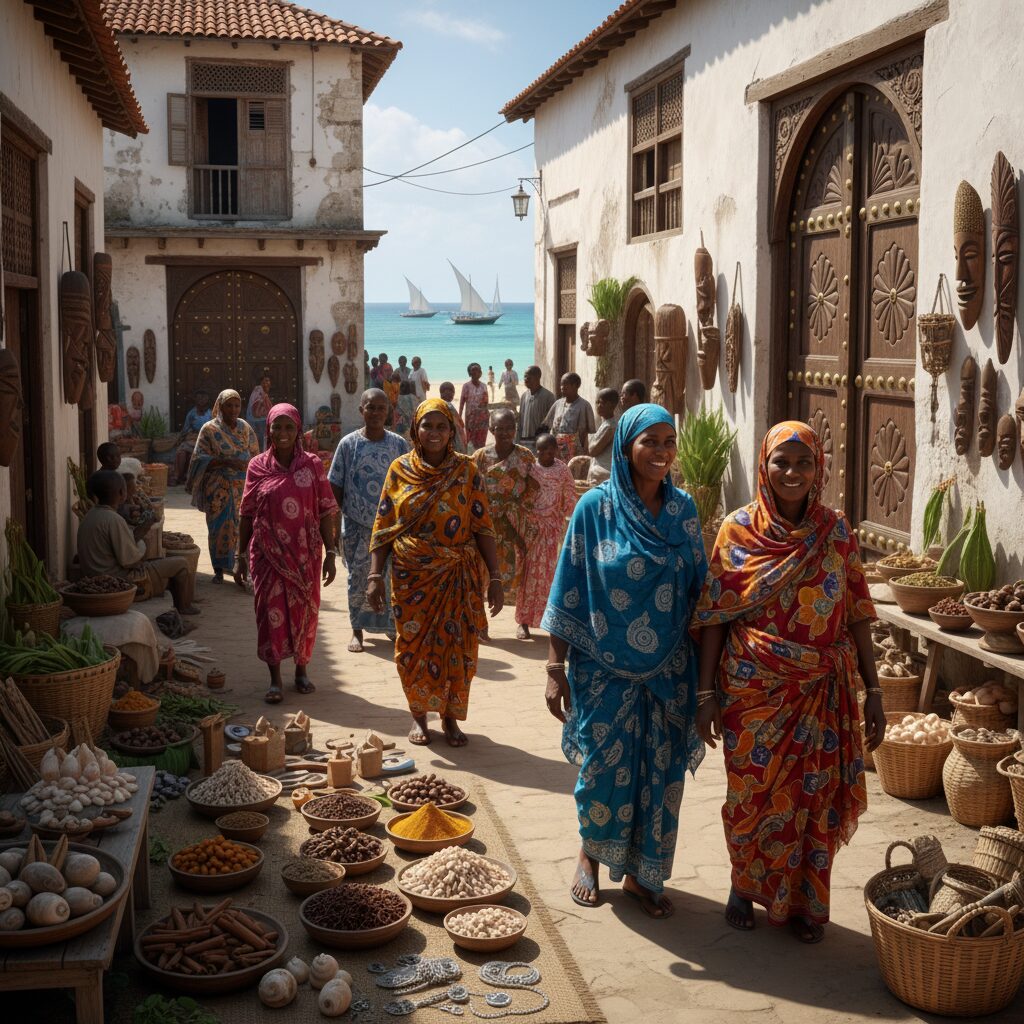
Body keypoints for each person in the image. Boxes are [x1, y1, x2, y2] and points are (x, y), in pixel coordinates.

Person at [692, 421, 884, 943]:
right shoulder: (738, 530)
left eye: (803, 463)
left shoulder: (837, 531)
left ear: (818, 467)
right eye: (782, 462)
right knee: (750, 795)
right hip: (751, 690)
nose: (792, 473)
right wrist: (706, 695)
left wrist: (875, 690)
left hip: (822, 687)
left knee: (812, 797)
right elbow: (714, 615)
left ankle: (806, 902)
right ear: (765, 466)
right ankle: (743, 885)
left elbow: (859, 610)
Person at [543, 404, 706, 918]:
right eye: (649, 442)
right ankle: (590, 856)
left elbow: (703, 594)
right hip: (602, 670)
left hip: (669, 672)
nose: (660, 452)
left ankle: (643, 873)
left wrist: (708, 684)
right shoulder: (595, 509)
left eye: (668, 442)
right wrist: (554, 668)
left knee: (661, 772)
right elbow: (567, 587)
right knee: (602, 770)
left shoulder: (684, 512)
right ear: (625, 447)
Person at [367, 399, 501, 748]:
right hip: (412, 578)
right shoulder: (399, 470)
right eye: (428, 425)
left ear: (452, 431)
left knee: (460, 647)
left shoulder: (468, 471)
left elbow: (483, 525)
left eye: (442, 426)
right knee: (413, 648)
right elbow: (384, 526)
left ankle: (451, 718)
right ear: (415, 429)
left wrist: (496, 578)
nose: (435, 433)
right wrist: (373, 576)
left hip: (458, 576)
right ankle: (419, 716)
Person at [237, 404, 339, 704]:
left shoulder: (312, 465)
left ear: (297, 430)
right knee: (270, 616)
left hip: (306, 555)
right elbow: (246, 514)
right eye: (276, 427)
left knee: (304, 614)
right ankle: (275, 679)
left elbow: (326, 510)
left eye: (288, 427)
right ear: (268, 429)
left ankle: (301, 670)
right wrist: (239, 556)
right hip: (267, 556)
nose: (282, 433)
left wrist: (331, 552)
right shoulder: (257, 466)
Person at [329, 389, 410, 653]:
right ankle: (357, 630)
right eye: (370, 407)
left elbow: (408, 484)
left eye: (380, 408)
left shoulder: (398, 444)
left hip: (391, 529)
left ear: (388, 412)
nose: (375, 413)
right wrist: (339, 522)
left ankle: (388, 627)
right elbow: (336, 486)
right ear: (361, 410)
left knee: (390, 577)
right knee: (358, 578)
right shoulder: (348, 444)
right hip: (356, 527)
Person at [78, 470, 198, 614]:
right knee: (181, 564)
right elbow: (130, 561)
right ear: (122, 493)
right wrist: (141, 548)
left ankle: (174, 604)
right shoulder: (113, 519)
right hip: (117, 582)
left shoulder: (89, 516)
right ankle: (184, 607)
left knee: (163, 564)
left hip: (95, 578)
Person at [186, 389, 260, 585]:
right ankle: (218, 569)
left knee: (242, 527)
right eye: (229, 405)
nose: (234, 409)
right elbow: (198, 458)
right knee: (217, 528)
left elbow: (255, 454)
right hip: (217, 488)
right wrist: (225, 462)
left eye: (237, 405)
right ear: (220, 406)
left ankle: (239, 565)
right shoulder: (209, 429)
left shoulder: (245, 428)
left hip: (243, 487)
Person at [472, 409, 536, 613]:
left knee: (520, 573)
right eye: (500, 429)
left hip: (514, 527)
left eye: (510, 428)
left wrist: (521, 513)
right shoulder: (481, 457)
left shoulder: (525, 457)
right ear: (491, 429)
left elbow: (534, 488)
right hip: (485, 526)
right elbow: (470, 489)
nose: (506, 433)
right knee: (481, 572)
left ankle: (522, 619)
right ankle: (480, 621)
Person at [515, 433, 576, 640]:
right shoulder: (529, 469)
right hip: (531, 530)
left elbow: (569, 498)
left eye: (549, 450)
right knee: (528, 575)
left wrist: (570, 520)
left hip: (552, 530)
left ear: (556, 450)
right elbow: (520, 494)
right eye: (541, 450)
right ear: (536, 450)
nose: (545, 454)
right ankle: (523, 622)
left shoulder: (562, 471)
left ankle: (549, 621)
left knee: (550, 576)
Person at [543, 372, 595, 461]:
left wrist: (587, 453)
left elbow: (591, 433)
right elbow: (546, 425)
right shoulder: (557, 404)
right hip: (556, 451)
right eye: (561, 384)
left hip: (576, 452)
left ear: (575, 386)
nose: (562, 387)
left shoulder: (585, 405)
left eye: (565, 384)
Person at [173, 391, 211, 484]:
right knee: (181, 452)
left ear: (207, 400)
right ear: (196, 400)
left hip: (206, 440)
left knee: (194, 454)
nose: (201, 401)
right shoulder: (192, 413)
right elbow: (185, 429)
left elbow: (213, 429)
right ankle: (179, 477)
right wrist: (182, 438)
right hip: (192, 439)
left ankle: (191, 478)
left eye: (204, 398)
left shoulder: (211, 414)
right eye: (199, 398)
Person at [516, 365, 555, 450]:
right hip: (524, 441)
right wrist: (517, 441)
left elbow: (552, 422)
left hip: (540, 443)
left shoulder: (548, 397)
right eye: (525, 376)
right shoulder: (524, 396)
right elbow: (520, 421)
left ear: (538, 377)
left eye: (529, 376)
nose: (526, 379)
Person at [586, 387, 619, 486]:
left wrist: (590, 442)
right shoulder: (604, 424)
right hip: (598, 472)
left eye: (603, 403)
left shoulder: (610, 427)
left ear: (612, 405)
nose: (599, 406)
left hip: (604, 474)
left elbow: (593, 451)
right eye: (597, 402)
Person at [459, 363, 490, 450]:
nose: (476, 372)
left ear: (480, 373)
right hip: (471, 420)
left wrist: (487, 416)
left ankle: (480, 459)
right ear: (469, 373)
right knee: (470, 443)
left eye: (478, 370)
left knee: (481, 443)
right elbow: (462, 402)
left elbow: (486, 402)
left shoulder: (484, 386)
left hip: (483, 419)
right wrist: (459, 416)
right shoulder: (466, 386)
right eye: (473, 370)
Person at [439, 382, 468, 453]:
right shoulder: (449, 406)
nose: (451, 393)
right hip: (454, 439)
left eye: (452, 391)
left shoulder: (439, 405)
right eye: (451, 391)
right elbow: (460, 423)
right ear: (442, 393)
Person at [247, 373, 272, 451]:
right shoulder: (259, 392)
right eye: (265, 381)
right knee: (260, 442)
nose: (268, 383)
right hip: (258, 422)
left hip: (260, 421)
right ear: (261, 382)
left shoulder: (261, 392)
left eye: (269, 381)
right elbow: (256, 412)